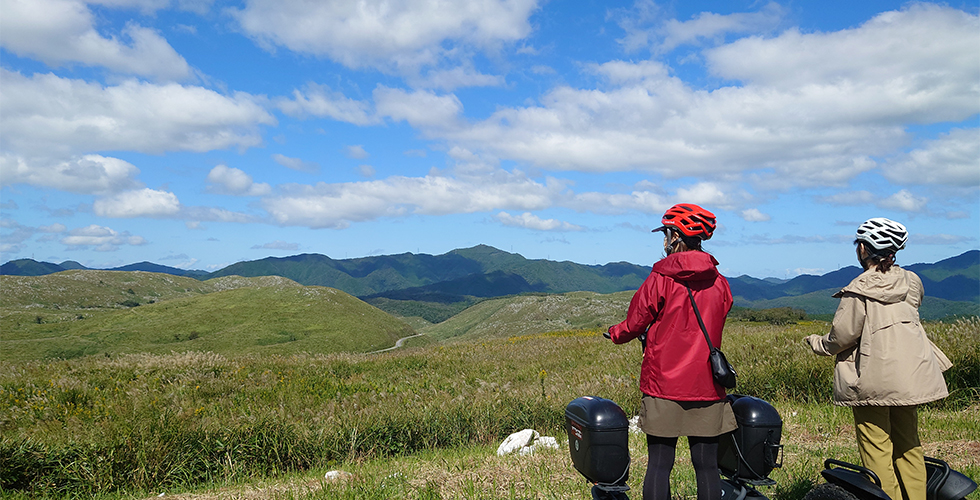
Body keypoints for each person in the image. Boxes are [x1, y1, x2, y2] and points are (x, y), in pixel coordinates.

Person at [804, 217, 951, 500]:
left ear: (863, 248)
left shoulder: (858, 289)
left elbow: (841, 338)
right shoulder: (911, 280)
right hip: (911, 375)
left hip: (871, 378)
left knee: (876, 447)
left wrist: (816, 343)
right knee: (909, 444)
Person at [605, 203, 736, 500]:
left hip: (663, 384)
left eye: (666, 233)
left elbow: (635, 323)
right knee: (706, 466)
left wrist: (615, 333)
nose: (664, 240)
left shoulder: (660, 279)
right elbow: (722, 313)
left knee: (660, 463)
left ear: (676, 236)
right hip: (706, 384)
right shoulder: (721, 284)